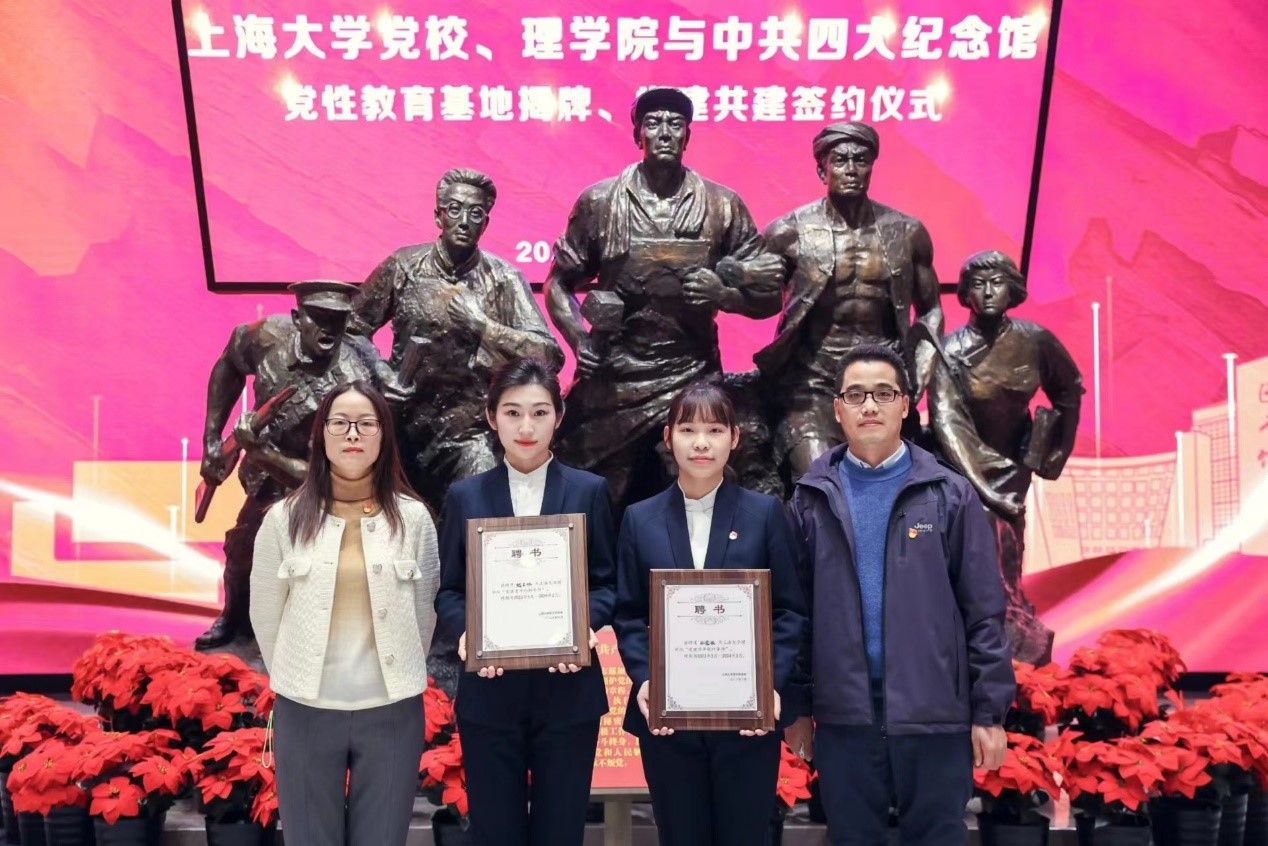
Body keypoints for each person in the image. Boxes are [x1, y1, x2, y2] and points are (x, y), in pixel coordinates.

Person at [783, 344, 1014, 846]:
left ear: (906, 405)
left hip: (934, 715)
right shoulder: (810, 498)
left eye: (883, 393)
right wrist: (797, 706)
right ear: (837, 409)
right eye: (856, 395)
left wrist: (989, 713)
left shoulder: (949, 493)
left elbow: (984, 613)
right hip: (844, 717)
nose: (870, 406)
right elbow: (794, 614)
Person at [545, 87, 783, 508]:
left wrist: (724, 294)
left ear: (688, 135)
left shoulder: (722, 204)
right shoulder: (599, 201)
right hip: (615, 374)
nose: (665, 132)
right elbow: (557, 283)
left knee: (700, 490)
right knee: (594, 492)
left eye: (676, 124)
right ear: (637, 133)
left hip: (691, 371)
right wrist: (579, 341)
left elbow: (769, 297)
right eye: (653, 123)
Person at [613, 382, 808, 846]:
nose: (701, 443)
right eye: (688, 430)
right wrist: (646, 679)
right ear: (668, 437)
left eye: (715, 430)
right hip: (669, 722)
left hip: (746, 718)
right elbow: (628, 614)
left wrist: (770, 683)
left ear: (734, 438)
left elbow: (790, 611)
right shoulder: (640, 519)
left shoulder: (764, 514)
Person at [433, 358, 617, 846]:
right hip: (491, 695)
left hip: (568, 693)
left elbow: (606, 584)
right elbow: (449, 591)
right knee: (495, 833)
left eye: (539, 412)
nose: (526, 427)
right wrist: (468, 633)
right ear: (491, 418)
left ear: (559, 416)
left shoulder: (589, 491)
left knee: (562, 832)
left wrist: (582, 627)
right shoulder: (466, 496)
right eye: (512, 413)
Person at [250, 381, 439, 845]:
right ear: (320, 435)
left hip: (392, 712)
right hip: (306, 710)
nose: (352, 434)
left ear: (384, 436)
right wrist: (296, 675)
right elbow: (266, 615)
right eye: (340, 423)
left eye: (366, 423)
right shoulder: (283, 519)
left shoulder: (414, 519)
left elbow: (424, 613)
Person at [349, 168, 564, 512]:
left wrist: (483, 326)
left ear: (486, 224)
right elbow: (352, 329)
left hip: (470, 433)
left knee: (479, 518)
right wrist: (380, 373)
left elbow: (549, 355)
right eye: (454, 210)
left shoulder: (504, 278)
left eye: (475, 213)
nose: (464, 221)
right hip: (402, 425)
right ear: (438, 216)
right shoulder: (403, 267)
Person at [196, 280, 395, 649]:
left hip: (326, 489)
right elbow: (229, 364)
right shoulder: (267, 336)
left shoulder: (353, 384)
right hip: (265, 476)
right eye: (318, 318)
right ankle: (235, 619)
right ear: (297, 317)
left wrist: (260, 452)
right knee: (242, 549)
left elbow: (337, 476)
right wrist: (212, 438)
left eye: (337, 320)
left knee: (321, 565)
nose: (328, 329)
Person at [756, 122, 943, 481]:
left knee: (887, 488)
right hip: (815, 384)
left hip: (882, 381)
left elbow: (931, 310)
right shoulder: (788, 232)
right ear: (821, 170)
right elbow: (755, 298)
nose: (852, 169)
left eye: (861, 160)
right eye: (840, 160)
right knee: (820, 481)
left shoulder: (907, 232)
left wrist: (921, 369)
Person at [929, 250, 1083, 664]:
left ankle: (1013, 630)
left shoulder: (1036, 341)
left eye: (996, 282)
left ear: (1012, 289)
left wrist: (1058, 450)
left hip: (1014, 463)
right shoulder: (949, 350)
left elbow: (1070, 389)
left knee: (1010, 552)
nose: (987, 292)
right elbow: (947, 422)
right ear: (965, 293)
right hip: (961, 467)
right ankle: (982, 634)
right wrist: (984, 484)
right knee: (981, 524)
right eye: (978, 284)